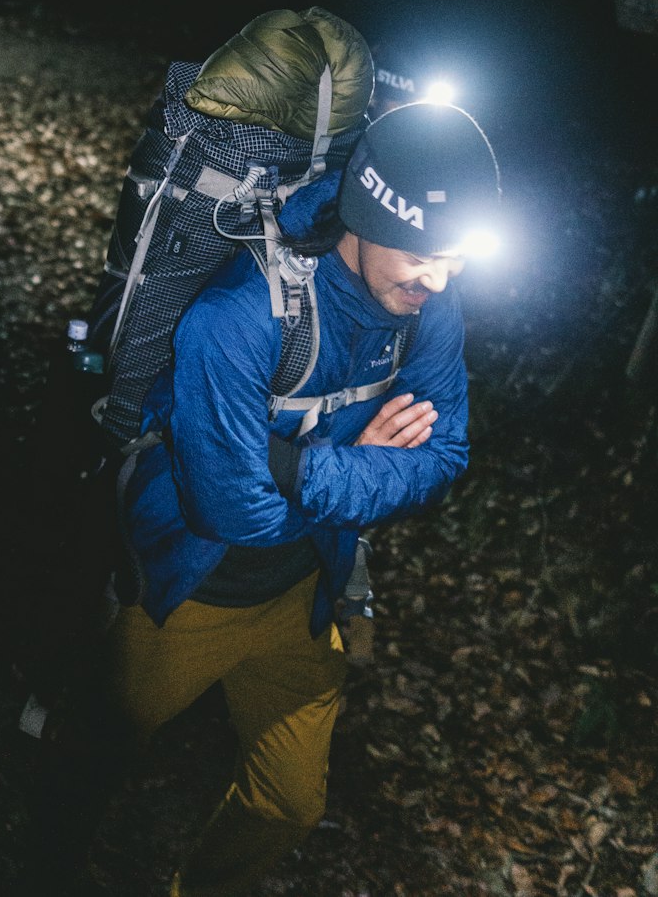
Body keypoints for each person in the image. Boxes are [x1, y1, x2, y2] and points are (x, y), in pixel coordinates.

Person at [30, 100, 503, 896]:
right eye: (424, 255)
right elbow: (231, 512)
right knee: (95, 760)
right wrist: (363, 466)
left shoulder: (427, 304)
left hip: (304, 591)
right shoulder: (236, 316)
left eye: (457, 259)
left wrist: (299, 467)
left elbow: (447, 454)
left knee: (288, 804)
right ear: (363, 212)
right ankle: (47, 867)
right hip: (187, 592)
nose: (440, 279)